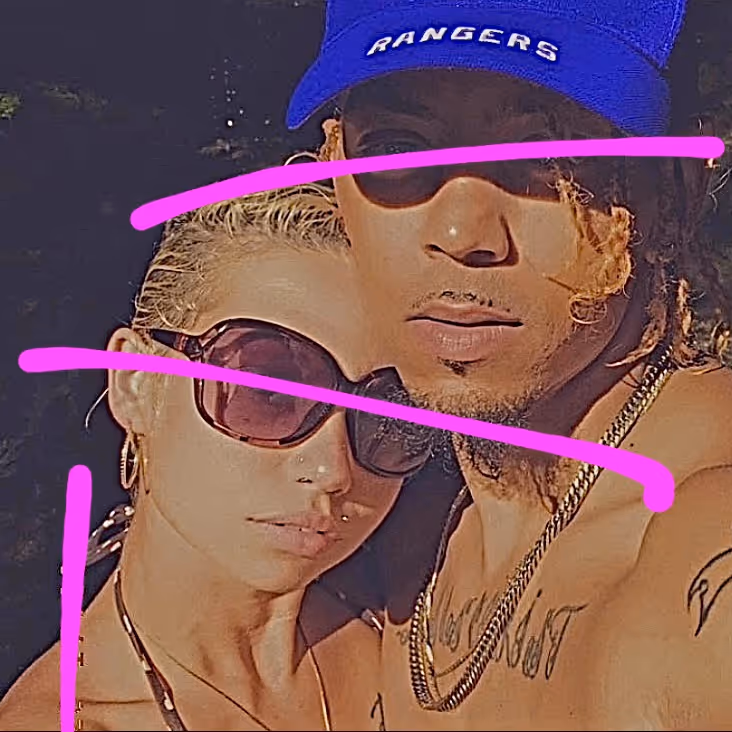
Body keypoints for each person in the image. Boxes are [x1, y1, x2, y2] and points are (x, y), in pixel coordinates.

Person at [284, 0, 732, 729]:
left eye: (546, 160)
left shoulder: (709, 548)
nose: (459, 232)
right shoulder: (379, 515)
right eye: (399, 149)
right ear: (335, 177)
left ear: (672, 195)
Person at [0, 186, 433, 731]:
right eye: (268, 391)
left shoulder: (429, 637)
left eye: (393, 414)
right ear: (136, 383)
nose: (333, 470)